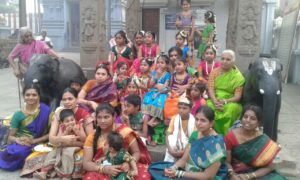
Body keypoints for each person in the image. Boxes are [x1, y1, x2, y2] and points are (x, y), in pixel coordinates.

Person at [21, 87, 94, 177]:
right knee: (35, 158)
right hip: (61, 145)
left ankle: (61, 174)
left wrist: (72, 142)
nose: (67, 102)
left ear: (77, 99)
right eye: (64, 99)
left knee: (73, 158)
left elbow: (90, 140)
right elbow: (52, 138)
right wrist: (62, 138)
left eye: (70, 99)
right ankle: (46, 172)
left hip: (81, 147)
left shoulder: (84, 115)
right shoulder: (59, 113)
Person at [149, 106, 227, 179]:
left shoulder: (217, 144)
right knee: (154, 168)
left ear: (211, 123)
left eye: (203, 120)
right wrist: (173, 168)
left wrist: (178, 173)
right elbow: (184, 160)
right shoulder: (195, 134)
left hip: (202, 177)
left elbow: (208, 176)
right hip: (188, 171)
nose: (198, 123)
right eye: (196, 119)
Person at [82, 103, 151, 180]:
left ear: (114, 117)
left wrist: (128, 163)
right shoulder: (92, 136)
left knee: (143, 177)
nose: (102, 121)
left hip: (124, 167)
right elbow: (86, 163)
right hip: (101, 168)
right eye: (99, 117)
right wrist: (104, 169)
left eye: (106, 117)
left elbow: (136, 152)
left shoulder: (124, 131)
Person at [0, 83, 52, 171]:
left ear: (39, 96)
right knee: (18, 152)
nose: (30, 97)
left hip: (41, 143)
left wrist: (34, 141)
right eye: (27, 95)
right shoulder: (18, 114)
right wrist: (18, 140)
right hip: (22, 144)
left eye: (34, 95)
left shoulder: (46, 110)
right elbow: (10, 137)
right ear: (23, 96)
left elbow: (50, 134)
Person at [225, 105, 286, 179]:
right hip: (238, 173)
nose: (247, 120)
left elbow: (270, 167)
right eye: (245, 117)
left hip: (257, 173)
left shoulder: (262, 139)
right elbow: (226, 162)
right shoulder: (231, 136)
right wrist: (232, 175)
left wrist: (249, 176)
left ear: (259, 123)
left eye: (253, 118)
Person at [32, 109, 86, 179]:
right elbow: (59, 140)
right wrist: (66, 132)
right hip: (63, 147)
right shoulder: (62, 128)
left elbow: (84, 139)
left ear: (75, 119)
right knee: (52, 154)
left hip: (75, 147)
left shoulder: (78, 126)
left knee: (67, 154)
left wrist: (77, 131)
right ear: (62, 123)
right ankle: (44, 172)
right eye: (67, 121)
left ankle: (66, 175)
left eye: (72, 120)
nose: (70, 122)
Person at [206, 49, 245, 135]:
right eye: (222, 59)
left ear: (233, 61)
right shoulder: (214, 72)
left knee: (232, 109)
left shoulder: (238, 76)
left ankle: (228, 136)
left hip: (230, 101)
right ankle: (211, 135)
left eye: (228, 59)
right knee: (208, 106)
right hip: (215, 99)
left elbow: (237, 97)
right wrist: (214, 101)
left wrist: (225, 101)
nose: (224, 61)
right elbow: (211, 88)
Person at [142, 54, 171, 145]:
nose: (159, 64)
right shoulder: (154, 73)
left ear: (166, 65)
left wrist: (158, 93)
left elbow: (165, 88)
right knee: (148, 101)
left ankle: (154, 119)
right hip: (152, 92)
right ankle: (146, 135)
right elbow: (150, 84)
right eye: (158, 62)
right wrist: (157, 76)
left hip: (161, 93)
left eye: (162, 63)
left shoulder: (167, 75)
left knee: (160, 101)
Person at [164, 97, 195, 162]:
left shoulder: (194, 121)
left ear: (190, 110)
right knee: (171, 139)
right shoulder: (175, 118)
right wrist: (169, 149)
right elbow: (168, 134)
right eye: (179, 107)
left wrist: (183, 152)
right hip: (174, 148)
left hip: (189, 147)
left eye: (184, 108)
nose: (181, 110)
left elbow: (194, 139)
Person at [176, 0, 196, 66]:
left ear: (189, 4)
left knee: (190, 50)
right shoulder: (179, 14)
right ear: (181, 6)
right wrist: (179, 24)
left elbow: (193, 25)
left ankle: (191, 65)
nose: (185, 6)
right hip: (181, 34)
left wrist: (191, 35)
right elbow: (177, 24)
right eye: (184, 4)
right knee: (180, 48)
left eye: (187, 4)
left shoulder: (192, 13)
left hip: (189, 33)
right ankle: (179, 63)